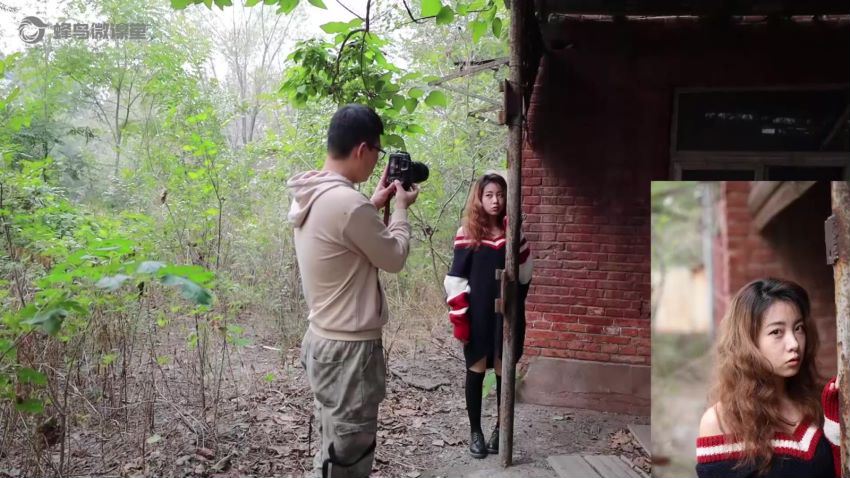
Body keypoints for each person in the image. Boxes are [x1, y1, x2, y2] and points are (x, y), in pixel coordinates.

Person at [287, 104, 419, 477]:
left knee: (333, 447)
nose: (377, 164)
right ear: (362, 149)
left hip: (321, 340)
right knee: (350, 458)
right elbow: (393, 257)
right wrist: (401, 211)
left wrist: (373, 204)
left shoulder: (311, 192)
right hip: (349, 351)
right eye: (377, 153)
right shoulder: (348, 204)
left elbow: (343, 236)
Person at [696, 278, 840, 478]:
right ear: (749, 343)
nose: (794, 344)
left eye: (798, 328)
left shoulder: (818, 403)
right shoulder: (720, 423)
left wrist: (836, 422)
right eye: (776, 332)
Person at [443, 173, 533, 459]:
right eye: (489, 195)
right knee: (476, 372)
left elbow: (526, 275)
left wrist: (515, 236)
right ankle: (475, 432)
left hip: (508, 314)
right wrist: (460, 318)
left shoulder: (513, 233)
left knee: (504, 371)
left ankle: (499, 429)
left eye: (501, 195)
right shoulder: (467, 233)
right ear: (479, 199)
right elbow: (455, 279)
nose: (496, 201)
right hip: (478, 314)